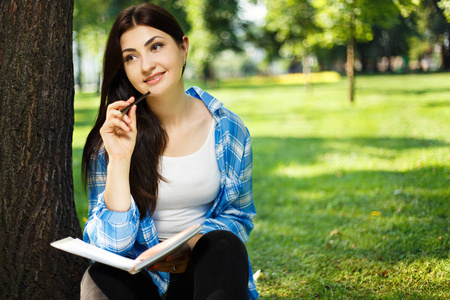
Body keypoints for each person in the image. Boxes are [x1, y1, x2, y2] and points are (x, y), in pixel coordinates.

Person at [79, 3, 258, 299]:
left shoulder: (228, 129)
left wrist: (189, 244)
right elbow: (110, 246)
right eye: (131, 57)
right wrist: (120, 160)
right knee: (99, 277)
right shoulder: (112, 137)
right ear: (123, 68)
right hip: (140, 279)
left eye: (156, 47)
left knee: (224, 245)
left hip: (202, 275)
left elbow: (237, 216)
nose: (146, 65)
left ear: (183, 47)